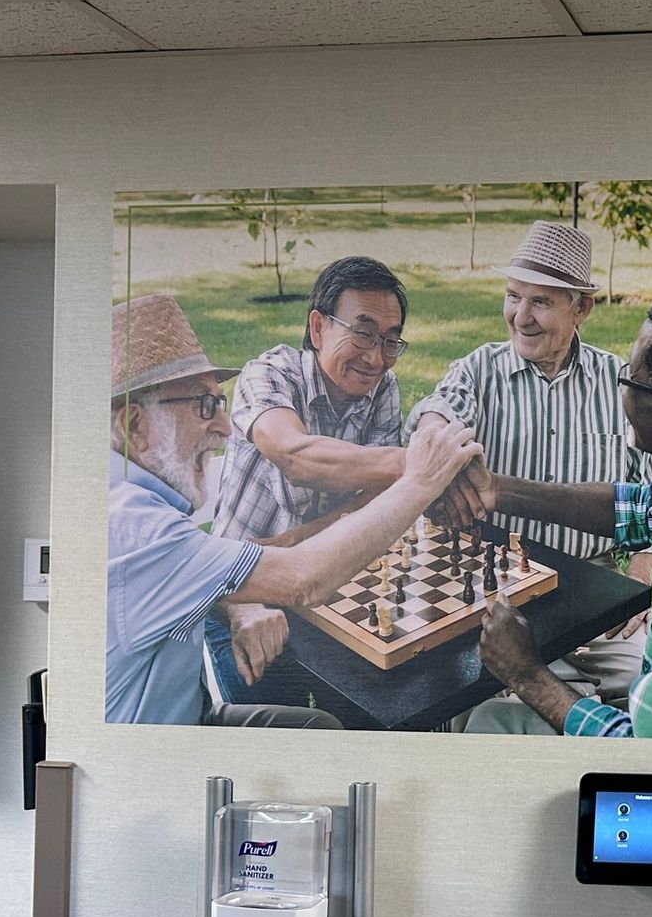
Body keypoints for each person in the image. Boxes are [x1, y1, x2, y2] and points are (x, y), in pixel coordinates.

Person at [107, 294, 480, 725]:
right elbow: (304, 578)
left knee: (330, 726)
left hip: (197, 705)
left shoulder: (132, 501)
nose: (226, 427)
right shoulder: (135, 529)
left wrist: (271, 561)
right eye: (204, 405)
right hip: (159, 750)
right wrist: (420, 477)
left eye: (219, 404)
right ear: (134, 425)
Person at [456, 284, 652, 739]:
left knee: (490, 721)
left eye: (630, 379)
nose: (620, 388)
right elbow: (633, 506)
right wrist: (494, 489)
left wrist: (527, 674)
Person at [407, 220, 652, 706]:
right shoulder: (478, 369)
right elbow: (438, 410)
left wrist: (640, 574)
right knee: (480, 699)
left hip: (595, 585)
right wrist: (435, 429)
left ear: (581, 308)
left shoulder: (619, 383)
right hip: (496, 584)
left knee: (650, 684)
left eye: (541, 302)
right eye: (513, 296)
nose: (521, 317)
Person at [208, 256, 413, 699]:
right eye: (363, 333)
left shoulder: (383, 388)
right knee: (275, 726)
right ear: (318, 329)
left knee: (384, 708)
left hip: (330, 585)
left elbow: (376, 500)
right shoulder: (268, 374)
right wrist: (417, 466)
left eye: (390, 341)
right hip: (241, 590)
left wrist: (292, 544)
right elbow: (295, 455)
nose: (376, 357)